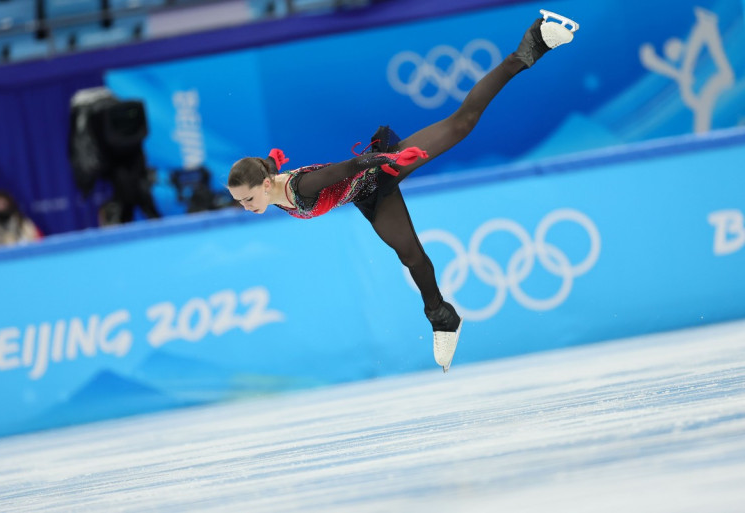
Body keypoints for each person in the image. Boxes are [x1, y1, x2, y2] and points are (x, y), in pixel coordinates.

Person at [227, 10, 579, 372]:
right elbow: (276, 169)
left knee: (462, 123)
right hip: (367, 195)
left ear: (266, 185)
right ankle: (443, 317)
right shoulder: (269, 185)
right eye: (240, 201)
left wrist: (388, 158)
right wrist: (271, 161)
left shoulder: (298, 188)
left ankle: (531, 45)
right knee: (411, 256)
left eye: (248, 198)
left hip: (377, 170)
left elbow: (343, 169)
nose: (246, 206)